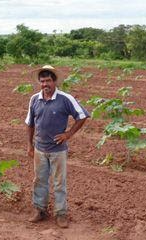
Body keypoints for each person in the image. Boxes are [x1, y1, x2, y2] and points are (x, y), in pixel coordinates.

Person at [25, 65, 88, 228]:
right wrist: (30, 146)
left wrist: (68, 134)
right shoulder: (34, 99)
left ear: (54, 82)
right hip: (40, 148)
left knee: (59, 182)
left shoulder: (65, 98)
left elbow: (82, 116)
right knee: (39, 180)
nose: (45, 84)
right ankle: (40, 210)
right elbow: (30, 124)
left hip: (58, 150)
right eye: (42, 81)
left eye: (48, 81)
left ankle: (61, 214)